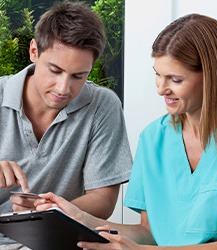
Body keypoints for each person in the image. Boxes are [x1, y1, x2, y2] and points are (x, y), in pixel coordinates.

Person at [35, 13, 217, 249]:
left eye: (175, 79)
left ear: (211, 76)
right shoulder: (153, 138)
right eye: (157, 75)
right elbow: (148, 232)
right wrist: (80, 218)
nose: (161, 89)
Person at [0, 1, 132, 248]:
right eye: (55, 70)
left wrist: (52, 209)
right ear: (34, 51)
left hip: (58, 242)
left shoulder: (103, 106)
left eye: (78, 76)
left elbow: (103, 199)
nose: (63, 89)